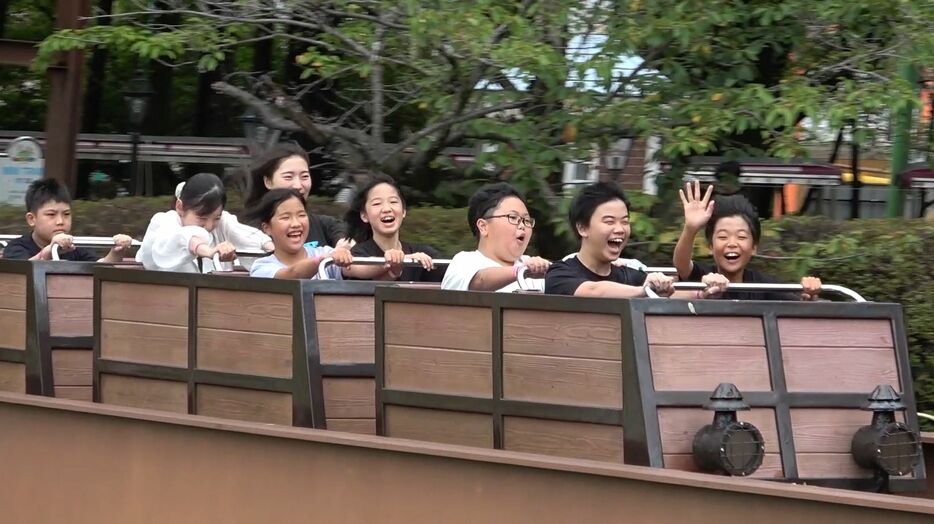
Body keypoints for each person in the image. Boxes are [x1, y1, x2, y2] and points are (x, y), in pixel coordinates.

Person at [545, 182, 728, 298]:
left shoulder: (630, 275)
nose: (620, 229)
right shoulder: (559, 273)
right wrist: (644, 291)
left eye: (625, 221)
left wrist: (704, 292)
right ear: (582, 227)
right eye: (609, 221)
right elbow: (593, 291)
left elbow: (672, 295)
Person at [673, 181, 821, 300]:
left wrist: (808, 293)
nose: (732, 243)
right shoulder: (703, 276)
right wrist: (690, 228)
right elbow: (681, 263)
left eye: (741, 237)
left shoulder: (764, 286)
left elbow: (795, 304)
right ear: (711, 245)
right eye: (723, 237)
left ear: (754, 247)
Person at [136, 173, 272, 273]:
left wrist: (271, 246)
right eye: (202, 217)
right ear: (180, 206)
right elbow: (183, 238)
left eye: (216, 217)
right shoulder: (164, 221)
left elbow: (245, 234)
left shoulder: (223, 222)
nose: (209, 225)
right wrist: (210, 251)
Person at [441, 182, 550, 292]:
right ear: (483, 227)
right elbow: (480, 281)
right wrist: (520, 271)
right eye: (513, 217)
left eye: (526, 220)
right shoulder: (464, 261)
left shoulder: (532, 264)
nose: (522, 226)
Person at [2, 178, 132, 262]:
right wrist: (51, 250)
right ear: (31, 219)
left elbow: (100, 267)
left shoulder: (75, 248)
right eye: (51, 214)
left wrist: (117, 251)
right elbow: (23, 272)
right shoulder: (16, 247)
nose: (60, 221)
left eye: (66, 214)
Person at [344, 174, 444, 282]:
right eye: (377, 203)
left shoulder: (424, 255)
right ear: (364, 215)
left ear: (404, 211)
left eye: (393, 202)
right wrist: (403, 260)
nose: (386, 209)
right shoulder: (358, 255)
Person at [243, 143, 347, 247]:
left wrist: (344, 246)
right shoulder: (248, 232)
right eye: (288, 177)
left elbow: (345, 240)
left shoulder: (325, 225)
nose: (298, 185)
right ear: (268, 182)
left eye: (304, 176)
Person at [246, 188, 354, 279]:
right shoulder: (261, 266)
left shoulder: (324, 251)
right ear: (267, 228)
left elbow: (357, 269)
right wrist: (323, 260)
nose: (296, 224)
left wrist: (345, 256)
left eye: (301, 215)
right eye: (285, 217)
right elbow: (291, 274)